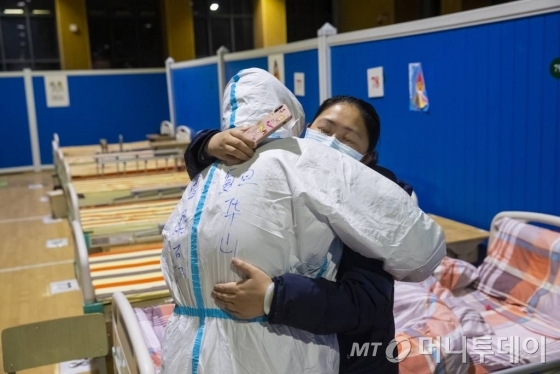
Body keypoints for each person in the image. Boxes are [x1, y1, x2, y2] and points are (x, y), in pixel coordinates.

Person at [161, 68, 445, 373]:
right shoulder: (287, 168)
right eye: (325, 130)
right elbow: (228, 171)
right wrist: (207, 144)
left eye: (348, 139)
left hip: (351, 359)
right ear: (305, 129)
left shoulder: (368, 202)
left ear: (367, 158)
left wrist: (274, 297)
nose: (331, 143)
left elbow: (368, 303)